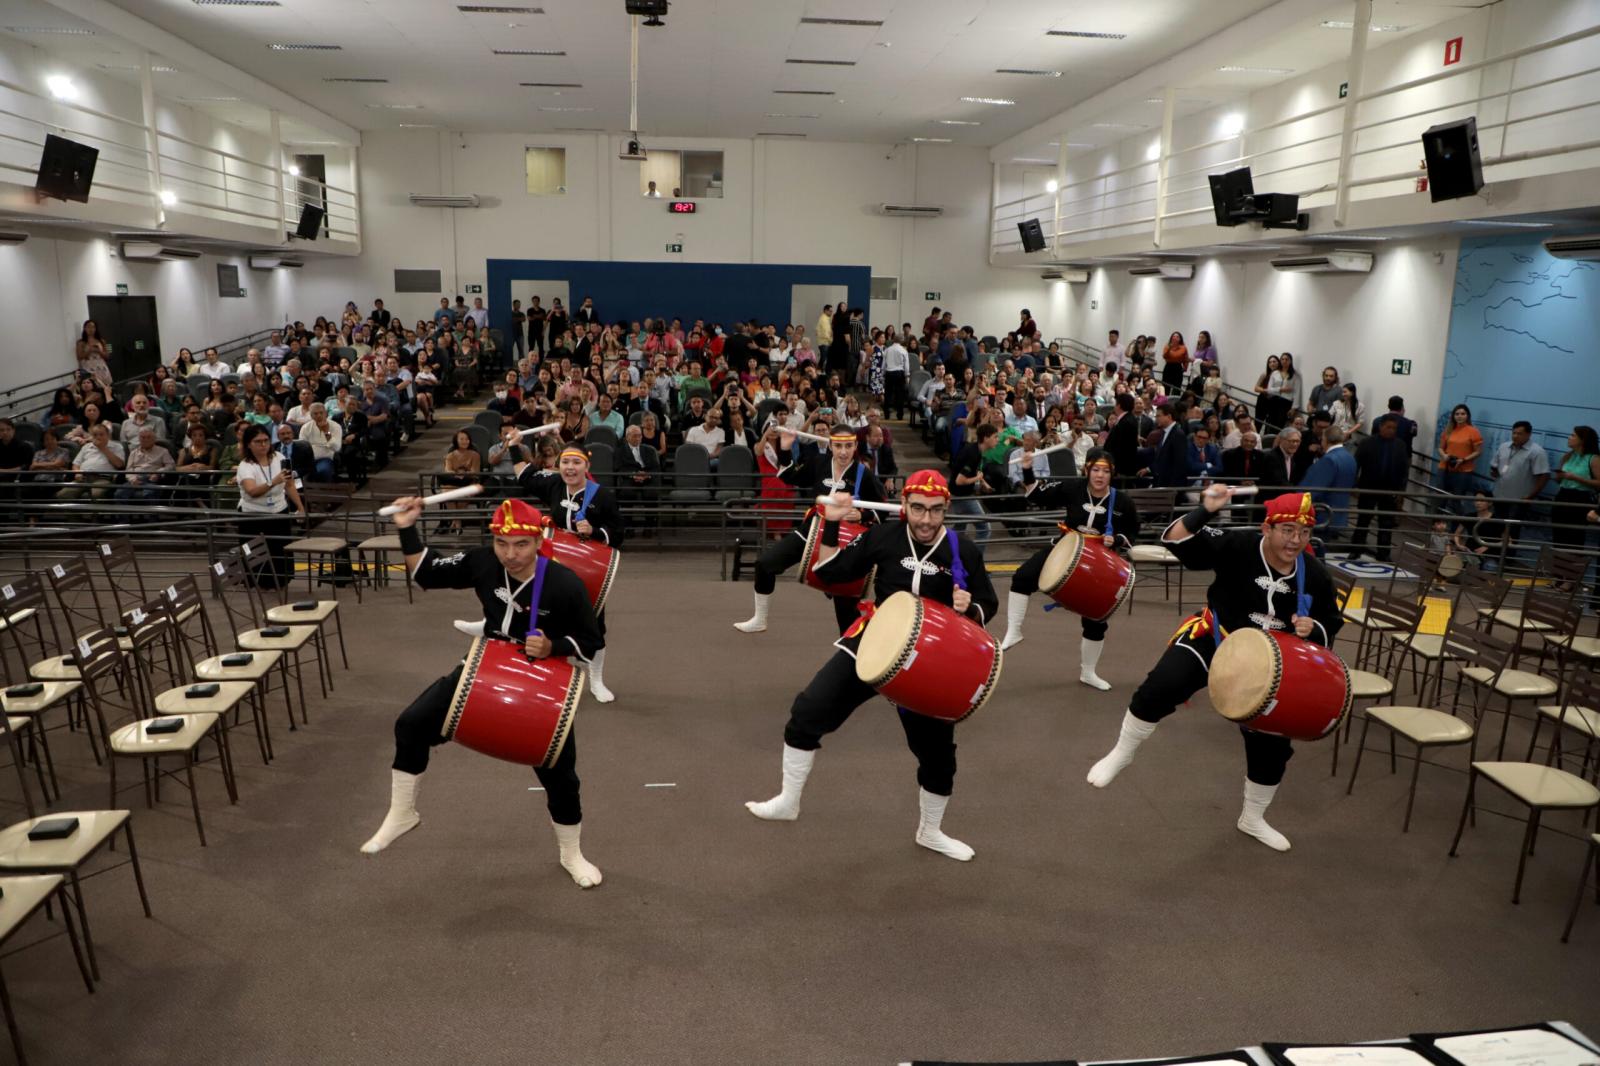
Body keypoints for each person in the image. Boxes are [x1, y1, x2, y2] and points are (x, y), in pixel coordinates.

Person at [744, 470, 998, 861]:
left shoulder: (963, 549)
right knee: (808, 711)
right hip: (875, 639)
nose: (926, 520)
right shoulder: (883, 537)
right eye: (918, 509)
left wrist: (973, 609)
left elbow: (988, 602)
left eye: (934, 511)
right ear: (905, 507)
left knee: (937, 756)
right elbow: (829, 573)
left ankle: (930, 831)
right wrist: (829, 525)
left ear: (946, 508)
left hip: (930, 658)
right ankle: (788, 801)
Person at [358, 497, 606, 889]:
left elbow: (591, 643)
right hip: (484, 663)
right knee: (411, 725)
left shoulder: (565, 583)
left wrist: (554, 646)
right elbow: (424, 572)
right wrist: (407, 525)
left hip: (543, 680)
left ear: (537, 540)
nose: (510, 555)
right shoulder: (482, 562)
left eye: (521, 545)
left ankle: (571, 853)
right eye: (502, 544)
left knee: (561, 777)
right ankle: (403, 812)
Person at [1085, 489, 1341, 851]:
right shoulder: (1238, 545)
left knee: (1271, 747)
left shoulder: (1314, 573)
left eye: (1303, 533)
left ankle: (1252, 818)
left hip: (1270, 666)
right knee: (1161, 686)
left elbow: (1332, 621)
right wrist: (1206, 509)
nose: (1295, 541)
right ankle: (1122, 752)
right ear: (1267, 528)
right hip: (1216, 636)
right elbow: (1176, 540)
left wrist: (1312, 629)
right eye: (1287, 531)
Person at [1000, 448, 1141, 690]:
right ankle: (1014, 630)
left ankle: (1088, 672)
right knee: (1023, 577)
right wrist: (1027, 468)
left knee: (1096, 618)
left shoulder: (1123, 501)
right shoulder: (1074, 488)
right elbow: (1035, 494)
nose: (1100, 475)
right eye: (1095, 470)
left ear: (1112, 474)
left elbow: (1133, 533)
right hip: (1066, 549)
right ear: (1087, 470)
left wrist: (1117, 540)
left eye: (1105, 471)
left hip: (1098, 562)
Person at [734, 428, 886, 635]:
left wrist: (863, 516)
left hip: (841, 544)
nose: (843, 452)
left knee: (845, 607)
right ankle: (760, 618)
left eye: (848, 446)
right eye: (839, 446)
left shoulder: (863, 474)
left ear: (855, 447)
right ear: (830, 445)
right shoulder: (819, 463)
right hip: (812, 530)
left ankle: (852, 652)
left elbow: (883, 509)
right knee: (765, 564)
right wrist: (786, 448)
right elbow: (788, 476)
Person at [514, 446, 625, 702]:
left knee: (594, 628)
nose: (570, 468)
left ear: (586, 467)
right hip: (554, 566)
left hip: (588, 570)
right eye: (566, 462)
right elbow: (525, 475)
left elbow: (619, 533)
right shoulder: (554, 484)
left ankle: (596, 681)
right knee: (539, 619)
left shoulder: (602, 495)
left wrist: (595, 531)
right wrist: (514, 444)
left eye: (576, 463)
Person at [234, 423, 306, 589]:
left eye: (266, 440)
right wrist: (273, 482)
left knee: (279, 550)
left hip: (278, 510)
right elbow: (252, 491)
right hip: (254, 515)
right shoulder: (246, 466)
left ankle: (281, 582)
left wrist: (300, 507)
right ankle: (258, 585)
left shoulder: (279, 458)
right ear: (249, 444)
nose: (263, 445)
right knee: (257, 554)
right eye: (258, 441)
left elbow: (289, 485)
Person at [1350, 415, 1409, 561]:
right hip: (1368, 487)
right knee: (1363, 520)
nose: (1391, 430)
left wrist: (1401, 491)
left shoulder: (1400, 445)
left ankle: (1383, 553)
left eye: (1394, 428)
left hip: (1389, 490)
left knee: (1386, 523)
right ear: (1381, 426)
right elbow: (1356, 464)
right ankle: (1356, 550)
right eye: (1388, 427)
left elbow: (1404, 470)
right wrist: (1355, 486)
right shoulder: (1367, 443)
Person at [1490, 420, 1550, 557]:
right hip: (1499, 495)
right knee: (1497, 526)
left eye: (1520, 434)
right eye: (1514, 433)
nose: (1515, 436)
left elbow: (1544, 475)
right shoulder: (1504, 446)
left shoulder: (1536, 452)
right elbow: (1494, 465)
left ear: (1528, 435)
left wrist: (1531, 496)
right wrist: (1493, 470)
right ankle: (1493, 555)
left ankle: (1507, 558)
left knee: (1512, 530)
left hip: (1519, 499)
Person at [1300, 425, 1356, 544]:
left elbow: (1312, 489)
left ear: (1325, 440)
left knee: (1313, 552)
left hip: (1322, 515)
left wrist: (1299, 512)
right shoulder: (1349, 458)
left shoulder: (1329, 460)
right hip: (1338, 514)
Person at [1551, 426, 1600, 553]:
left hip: (1580, 498)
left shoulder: (1593, 459)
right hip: (1563, 495)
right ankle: (1557, 568)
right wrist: (1560, 477)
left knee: (1574, 537)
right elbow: (1560, 479)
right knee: (1558, 534)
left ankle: (1570, 569)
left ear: (1582, 440)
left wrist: (1575, 478)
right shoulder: (1568, 456)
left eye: (1573, 436)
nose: (1569, 438)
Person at [298, 402, 342, 482]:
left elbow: (337, 448)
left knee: (323, 471)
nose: (319, 415)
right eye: (315, 413)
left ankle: (325, 492)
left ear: (326, 413)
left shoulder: (336, 426)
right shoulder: (305, 427)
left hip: (325, 458)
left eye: (321, 413)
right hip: (308, 459)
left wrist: (326, 433)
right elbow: (302, 447)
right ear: (311, 415)